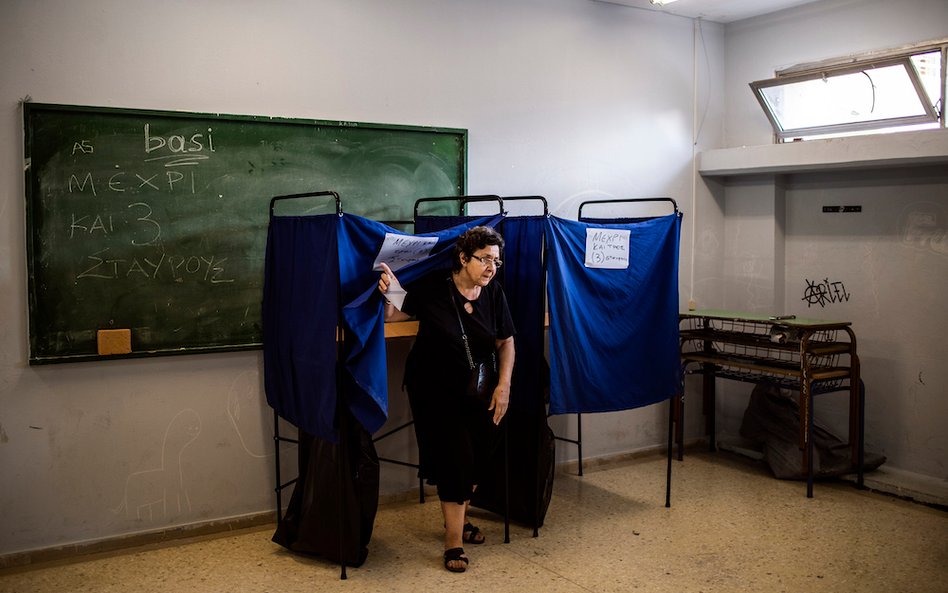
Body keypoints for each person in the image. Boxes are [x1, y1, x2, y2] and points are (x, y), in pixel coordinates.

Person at [377, 225, 515, 573]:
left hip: (480, 389)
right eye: (485, 260)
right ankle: (454, 542)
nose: (491, 268)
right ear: (464, 257)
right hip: (436, 391)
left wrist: (504, 386)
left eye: (496, 262)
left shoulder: (494, 294)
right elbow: (396, 315)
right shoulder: (435, 288)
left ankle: (460, 520)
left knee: (475, 461)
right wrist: (389, 291)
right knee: (456, 462)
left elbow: (506, 342)